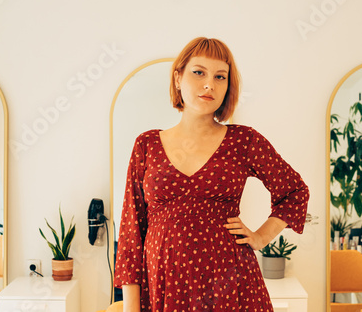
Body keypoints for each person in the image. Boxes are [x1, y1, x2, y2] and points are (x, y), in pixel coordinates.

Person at [114, 37, 309, 311]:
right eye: (199, 72)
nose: (209, 84)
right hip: (164, 284)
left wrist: (262, 237)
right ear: (178, 77)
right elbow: (131, 231)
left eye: (220, 76)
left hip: (231, 283)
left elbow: (294, 191)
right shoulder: (146, 144)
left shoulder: (244, 141)